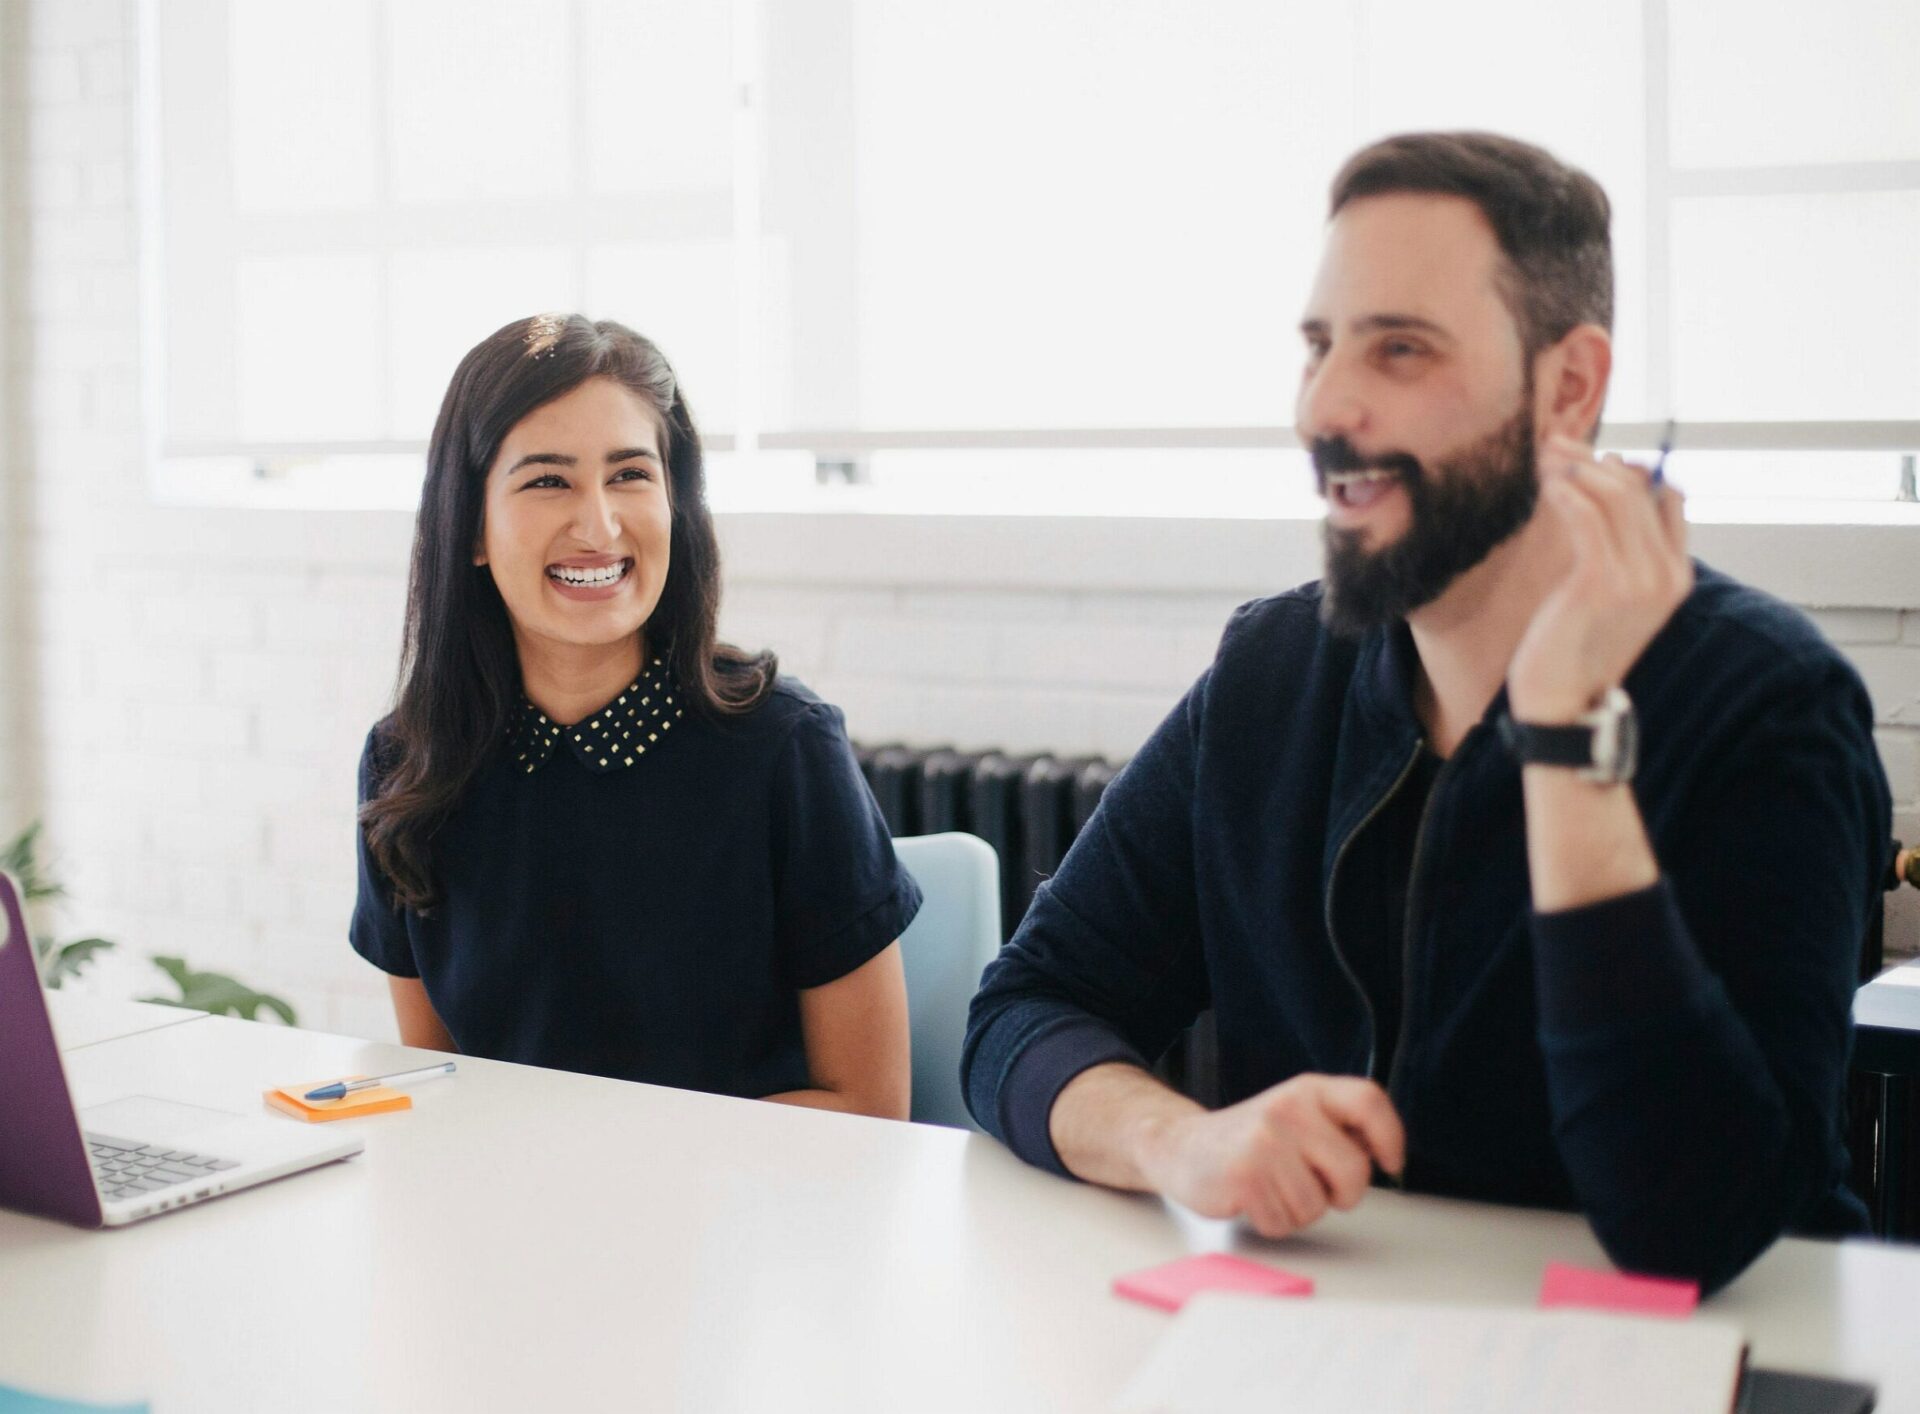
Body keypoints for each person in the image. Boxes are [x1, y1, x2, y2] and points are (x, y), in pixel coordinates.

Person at [961, 132, 1890, 1291]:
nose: (1326, 406)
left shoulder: (1769, 705)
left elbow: (1695, 1224)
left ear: (1567, 387)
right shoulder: (1274, 670)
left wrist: (1566, 739)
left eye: (1401, 349)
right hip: (1333, 1335)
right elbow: (1024, 1011)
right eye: (1318, 346)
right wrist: (1182, 1138)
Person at [352, 314, 920, 1119]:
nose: (599, 525)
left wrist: (611, 1175)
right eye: (548, 480)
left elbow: (869, 1106)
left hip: (754, 1220)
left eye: (629, 475)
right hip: (512, 1213)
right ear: (471, 526)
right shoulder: (407, 763)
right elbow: (442, 1087)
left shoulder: (783, 747)